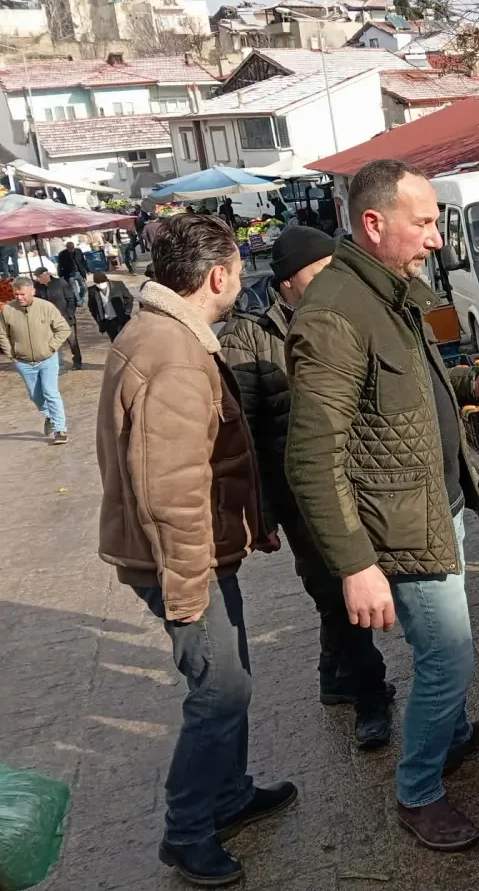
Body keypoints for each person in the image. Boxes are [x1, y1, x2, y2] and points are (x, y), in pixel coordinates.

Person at [285, 159, 479, 852]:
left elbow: (403, 391)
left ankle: (446, 738)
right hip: (397, 527)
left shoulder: (388, 291)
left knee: (443, 651)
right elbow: (311, 455)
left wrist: (474, 381)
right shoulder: (333, 313)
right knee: (450, 658)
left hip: (430, 509)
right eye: (425, 222)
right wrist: (356, 565)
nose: (438, 238)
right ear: (373, 223)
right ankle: (419, 791)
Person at [95, 214, 296, 887]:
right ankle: (185, 832)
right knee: (219, 690)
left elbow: (209, 461)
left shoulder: (165, 334)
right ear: (218, 276)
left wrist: (251, 520)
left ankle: (230, 796)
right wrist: (187, 594)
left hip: (206, 549)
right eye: (240, 268)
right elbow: (170, 492)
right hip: (183, 562)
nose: (243, 279)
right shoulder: (174, 354)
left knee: (229, 679)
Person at [221, 227, 394, 749]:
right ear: (288, 282)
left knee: (333, 592)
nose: (328, 281)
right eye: (317, 273)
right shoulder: (249, 335)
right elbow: (245, 433)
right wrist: (262, 514)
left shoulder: (346, 314)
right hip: (301, 492)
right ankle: (370, 696)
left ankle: (334, 678)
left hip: (360, 479)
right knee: (338, 591)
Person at [0, 276, 70, 444]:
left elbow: (63, 329)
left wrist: (51, 347)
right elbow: (2, 333)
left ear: (32, 291)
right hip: (23, 362)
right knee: (36, 396)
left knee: (50, 392)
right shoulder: (8, 310)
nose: (19, 297)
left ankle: (60, 429)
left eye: (22, 294)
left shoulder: (46, 307)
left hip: (47, 359)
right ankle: (49, 416)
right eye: (16, 294)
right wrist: (12, 354)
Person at [33, 267, 82, 370]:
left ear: (46, 275)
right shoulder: (37, 287)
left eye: (39, 277)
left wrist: (69, 314)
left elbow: (71, 299)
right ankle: (59, 365)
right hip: (49, 321)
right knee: (55, 344)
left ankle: (77, 361)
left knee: (72, 342)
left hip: (66, 319)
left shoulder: (60, 283)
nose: (37, 279)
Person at [86, 271, 134, 340]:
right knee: (114, 342)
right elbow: (91, 307)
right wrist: (98, 319)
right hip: (108, 322)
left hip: (121, 319)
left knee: (126, 340)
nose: (100, 285)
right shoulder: (92, 290)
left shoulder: (118, 285)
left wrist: (127, 311)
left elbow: (129, 298)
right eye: (97, 283)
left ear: (106, 280)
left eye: (101, 282)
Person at [57, 240, 90, 306]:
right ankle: (79, 302)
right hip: (69, 274)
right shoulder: (62, 254)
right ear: (67, 248)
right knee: (74, 289)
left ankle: (79, 297)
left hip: (79, 272)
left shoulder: (78, 251)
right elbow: (60, 265)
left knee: (84, 287)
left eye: (72, 248)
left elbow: (83, 261)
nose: (71, 250)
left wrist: (87, 269)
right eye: (70, 248)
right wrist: (60, 274)